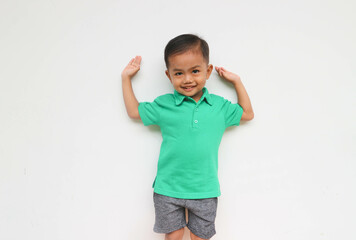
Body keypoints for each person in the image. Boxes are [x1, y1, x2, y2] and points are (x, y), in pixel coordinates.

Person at [121, 33, 254, 240]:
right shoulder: (164, 104)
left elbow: (247, 113)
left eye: (195, 71)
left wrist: (237, 81)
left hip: (205, 189)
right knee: (173, 236)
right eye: (179, 73)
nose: (188, 79)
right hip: (168, 189)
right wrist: (126, 78)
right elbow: (134, 112)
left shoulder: (219, 106)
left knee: (200, 238)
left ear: (208, 71)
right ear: (169, 75)